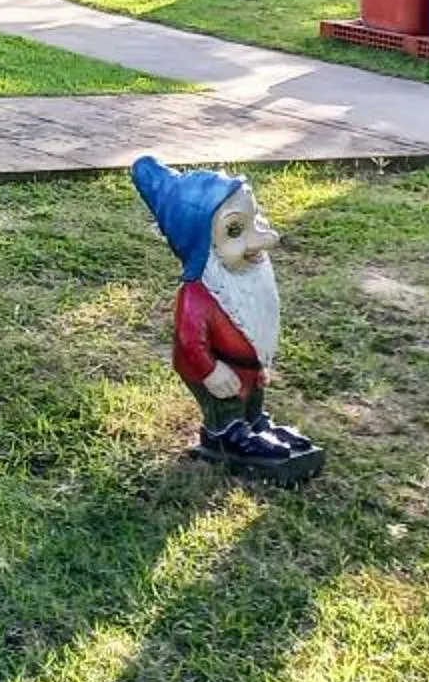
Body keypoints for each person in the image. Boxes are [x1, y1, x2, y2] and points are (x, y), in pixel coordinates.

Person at [130, 156, 325, 484]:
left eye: (256, 219)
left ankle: (256, 424)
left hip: (249, 366)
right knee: (227, 403)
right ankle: (226, 433)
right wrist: (209, 370)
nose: (262, 238)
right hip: (216, 369)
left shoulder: (247, 279)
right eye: (235, 230)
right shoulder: (198, 294)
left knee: (251, 400)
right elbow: (189, 340)